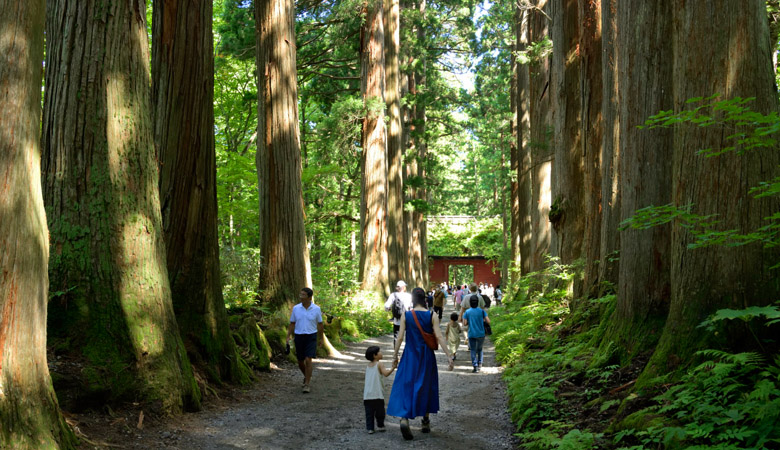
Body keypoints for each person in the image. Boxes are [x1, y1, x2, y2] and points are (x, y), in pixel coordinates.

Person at [388, 287, 454, 440]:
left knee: (407, 384)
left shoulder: (406, 315)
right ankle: (425, 420)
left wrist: (394, 355)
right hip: (426, 357)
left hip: (409, 356)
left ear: (413, 299)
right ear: (425, 299)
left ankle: (404, 418)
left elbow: (399, 337)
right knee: (426, 386)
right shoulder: (433, 315)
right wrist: (449, 356)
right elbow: (439, 336)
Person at [286, 287, 324, 393]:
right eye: (300, 295)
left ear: (309, 297)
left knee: (308, 359)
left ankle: (307, 384)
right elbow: (292, 323)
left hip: (311, 336)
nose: (301, 297)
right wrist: (288, 336)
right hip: (299, 336)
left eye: (303, 295)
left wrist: (321, 339)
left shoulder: (316, 309)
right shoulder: (296, 308)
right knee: (300, 361)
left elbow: (320, 324)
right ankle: (307, 376)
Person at [364, 346, 398, 434]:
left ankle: (370, 428)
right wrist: (393, 367)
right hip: (377, 393)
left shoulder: (368, 366)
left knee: (369, 413)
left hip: (367, 394)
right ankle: (380, 425)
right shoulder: (379, 364)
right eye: (379, 352)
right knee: (380, 412)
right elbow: (386, 374)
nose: (381, 353)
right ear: (375, 355)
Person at [462, 296, 490, 373]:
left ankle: (475, 367)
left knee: (473, 350)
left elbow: (464, 323)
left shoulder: (467, 312)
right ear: (477, 302)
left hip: (471, 333)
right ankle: (480, 364)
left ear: (470, 302)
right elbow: (488, 321)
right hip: (481, 333)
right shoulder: (481, 311)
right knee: (480, 349)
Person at [384, 280, 413, 346]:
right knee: (408, 336)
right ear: (403, 287)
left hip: (397, 320)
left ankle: (396, 353)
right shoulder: (408, 296)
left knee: (396, 336)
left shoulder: (393, 295)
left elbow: (386, 305)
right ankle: (407, 352)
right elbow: (412, 307)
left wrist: (388, 309)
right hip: (407, 319)